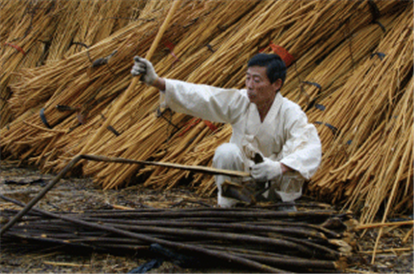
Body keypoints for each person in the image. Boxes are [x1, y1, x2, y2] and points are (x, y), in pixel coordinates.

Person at [131, 53, 322, 208]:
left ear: (276, 84)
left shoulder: (291, 113)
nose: (249, 86)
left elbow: (310, 147)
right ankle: (230, 205)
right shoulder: (241, 101)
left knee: (288, 164)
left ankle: (276, 205)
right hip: (242, 186)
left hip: (276, 190)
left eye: (256, 80)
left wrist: (279, 167)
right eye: (247, 78)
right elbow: (205, 97)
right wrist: (157, 81)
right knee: (225, 152)